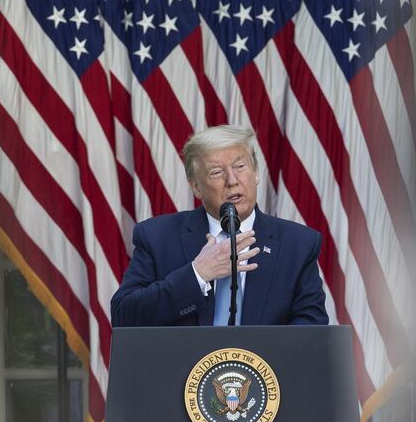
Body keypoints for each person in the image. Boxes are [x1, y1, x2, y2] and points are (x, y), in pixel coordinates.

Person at [111, 125, 328, 327]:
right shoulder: (157, 237)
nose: (232, 180)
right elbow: (124, 315)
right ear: (196, 187)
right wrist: (198, 274)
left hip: (263, 368)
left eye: (240, 166)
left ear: (256, 173)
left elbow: (312, 328)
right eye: (216, 172)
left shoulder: (298, 244)